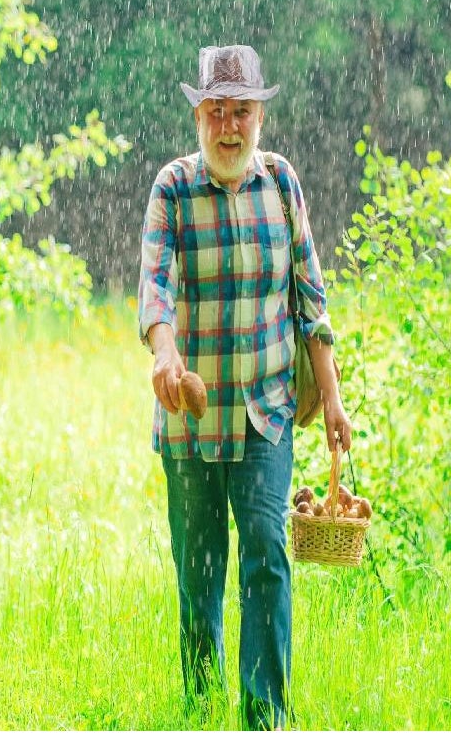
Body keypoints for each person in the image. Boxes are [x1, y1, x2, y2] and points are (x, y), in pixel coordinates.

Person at [138, 44, 352, 730]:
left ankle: (266, 717)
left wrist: (333, 396)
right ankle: (201, 710)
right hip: (189, 425)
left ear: (261, 116)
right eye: (217, 111)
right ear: (198, 115)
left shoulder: (281, 183)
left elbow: (310, 298)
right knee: (198, 575)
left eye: (243, 112)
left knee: (266, 552)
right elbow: (156, 286)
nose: (230, 126)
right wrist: (165, 355)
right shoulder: (173, 187)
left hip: (265, 414)